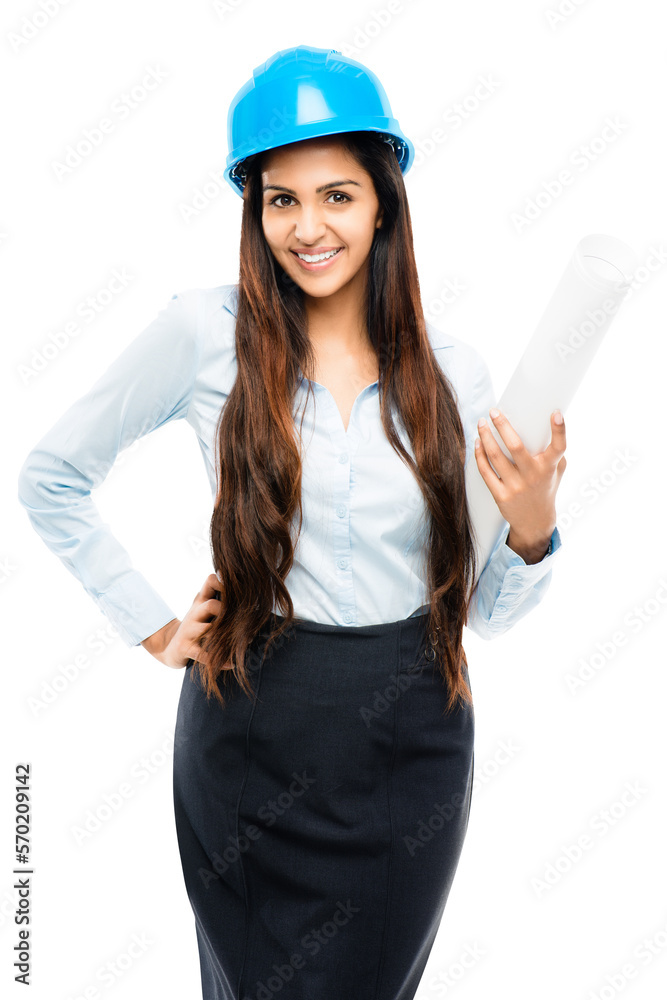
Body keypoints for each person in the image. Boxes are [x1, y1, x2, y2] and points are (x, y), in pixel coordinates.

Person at [17, 44, 566, 1000]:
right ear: (253, 209)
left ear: (385, 201)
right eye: (281, 199)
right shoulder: (203, 334)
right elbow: (51, 475)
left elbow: (486, 614)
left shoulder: (453, 374)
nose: (308, 227)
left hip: (410, 742)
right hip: (249, 731)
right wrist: (153, 625)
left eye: (337, 196)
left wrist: (529, 528)